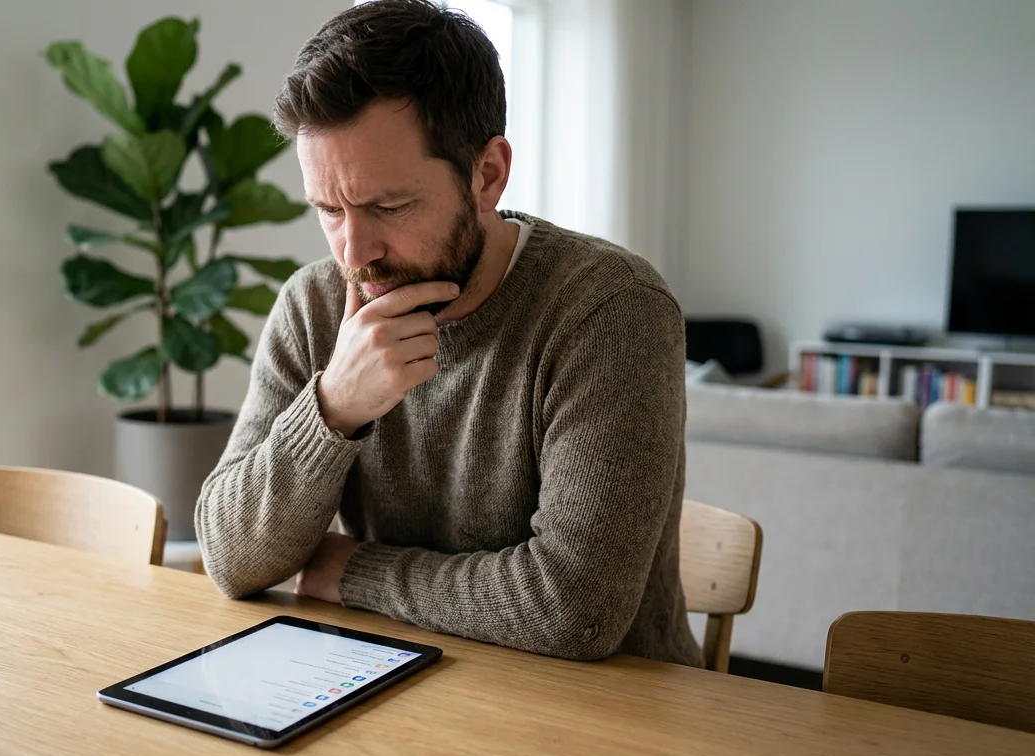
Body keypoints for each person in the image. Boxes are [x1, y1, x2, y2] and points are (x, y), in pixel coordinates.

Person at [195, 0, 702, 667]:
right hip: (385, 678)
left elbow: (572, 610)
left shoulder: (608, 311)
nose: (356, 252)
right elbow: (231, 557)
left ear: (487, 174)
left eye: (390, 207)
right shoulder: (317, 305)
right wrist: (333, 407)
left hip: (606, 713)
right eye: (328, 209)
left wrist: (348, 572)